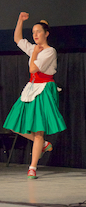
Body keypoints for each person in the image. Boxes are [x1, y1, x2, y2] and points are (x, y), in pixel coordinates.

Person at [3, 12, 66, 179]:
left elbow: (33, 69)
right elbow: (17, 39)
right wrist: (20, 21)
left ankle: (32, 167)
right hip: (31, 88)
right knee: (14, 124)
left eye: (38, 31)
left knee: (39, 130)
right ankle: (44, 145)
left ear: (46, 33)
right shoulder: (34, 49)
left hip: (44, 89)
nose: (35, 35)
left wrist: (35, 54)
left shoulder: (49, 51)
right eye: (33, 32)